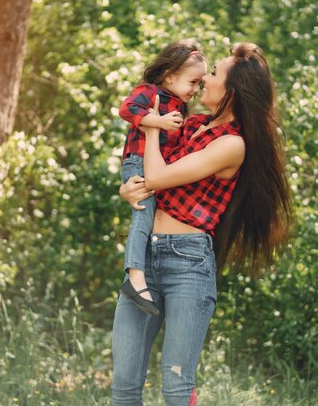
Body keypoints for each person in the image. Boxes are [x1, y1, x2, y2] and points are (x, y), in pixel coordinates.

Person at [111, 42, 293, 406]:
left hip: (188, 264)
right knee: (125, 386)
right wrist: (125, 189)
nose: (204, 80)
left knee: (177, 388)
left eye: (214, 75)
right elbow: (142, 176)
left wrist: (151, 123)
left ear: (232, 92)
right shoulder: (190, 125)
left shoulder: (232, 144)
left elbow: (158, 176)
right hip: (146, 256)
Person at [118, 40, 207, 316]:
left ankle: (140, 273)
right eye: (192, 82)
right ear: (170, 76)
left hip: (155, 169)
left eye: (200, 85)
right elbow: (126, 109)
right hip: (138, 161)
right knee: (143, 217)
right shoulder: (151, 92)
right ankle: (134, 276)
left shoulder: (180, 106)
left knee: (149, 218)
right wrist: (157, 122)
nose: (195, 90)